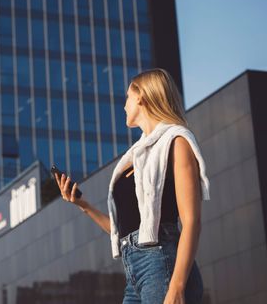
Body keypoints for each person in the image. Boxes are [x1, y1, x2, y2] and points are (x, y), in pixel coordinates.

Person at [54, 68, 210, 304]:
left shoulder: (177, 142)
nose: (124, 105)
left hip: (162, 263)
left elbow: (191, 222)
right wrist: (83, 205)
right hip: (135, 272)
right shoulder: (135, 156)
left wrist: (177, 287)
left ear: (141, 96)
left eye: (127, 97)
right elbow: (125, 231)